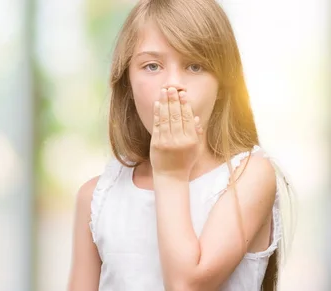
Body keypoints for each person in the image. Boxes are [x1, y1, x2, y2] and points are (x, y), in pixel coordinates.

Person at [67, 0, 296, 290]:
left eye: (195, 66)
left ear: (223, 85)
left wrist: (171, 174)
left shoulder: (248, 176)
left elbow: (186, 284)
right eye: (152, 66)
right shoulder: (96, 197)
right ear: (127, 80)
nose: (173, 85)